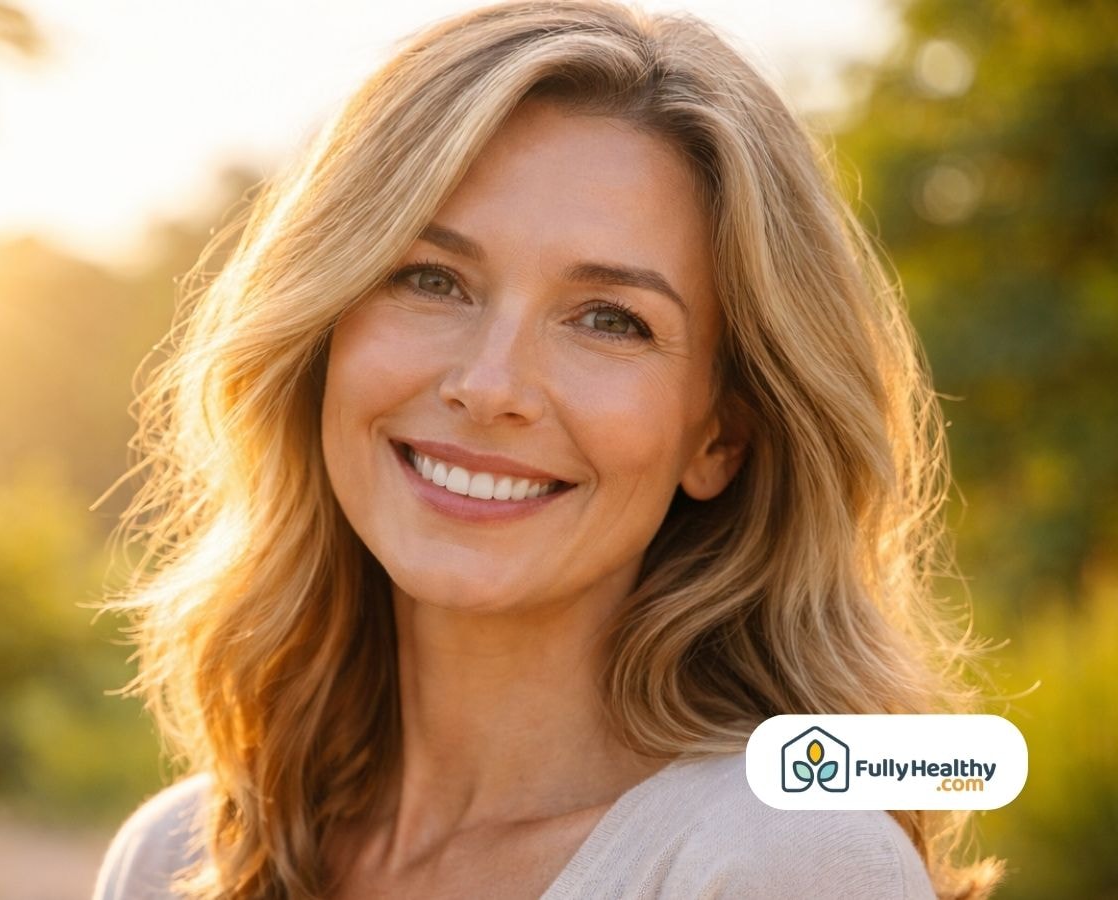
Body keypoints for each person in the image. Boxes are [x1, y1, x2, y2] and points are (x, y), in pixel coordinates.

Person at [92, 1, 1006, 897]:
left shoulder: (779, 862)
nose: (490, 385)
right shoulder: (176, 858)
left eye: (609, 320)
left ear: (722, 437)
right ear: (322, 325)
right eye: (431, 278)